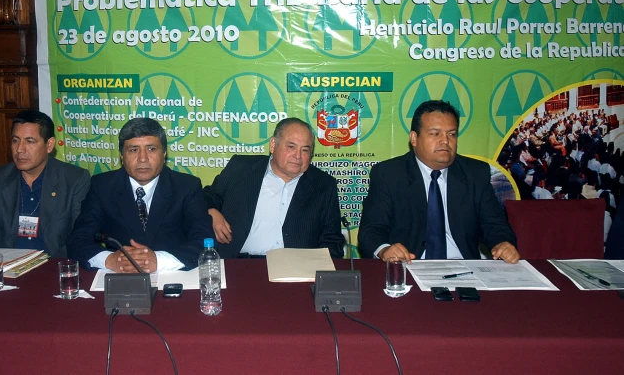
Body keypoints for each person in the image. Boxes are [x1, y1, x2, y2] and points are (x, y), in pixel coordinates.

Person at [359, 100, 519, 263]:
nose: (445, 141)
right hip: (410, 265)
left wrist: (503, 244)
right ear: (414, 138)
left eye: (452, 134)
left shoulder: (475, 174)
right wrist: (384, 249)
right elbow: (371, 230)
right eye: (435, 134)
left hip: (464, 268)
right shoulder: (389, 174)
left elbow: (496, 226)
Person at [67, 117, 212, 272]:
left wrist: (158, 260)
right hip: (121, 280)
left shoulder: (186, 186)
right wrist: (110, 260)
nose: (143, 159)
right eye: (133, 150)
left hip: (172, 275)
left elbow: (203, 240)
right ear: (122, 156)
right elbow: (78, 239)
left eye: (151, 149)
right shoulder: (103, 186)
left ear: (164, 153)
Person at [203, 118, 345, 259]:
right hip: (239, 262)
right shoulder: (241, 169)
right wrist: (212, 211)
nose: (298, 156)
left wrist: (318, 270)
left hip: (296, 268)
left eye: (305, 150)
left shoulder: (324, 185)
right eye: (291, 147)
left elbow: (332, 240)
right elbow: (207, 196)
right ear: (273, 145)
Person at [0, 110, 90, 257]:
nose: (20, 149)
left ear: (49, 145)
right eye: (15, 140)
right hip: (7, 268)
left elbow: (80, 239)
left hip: (53, 268)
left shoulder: (74, 180)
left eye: (30, 141)